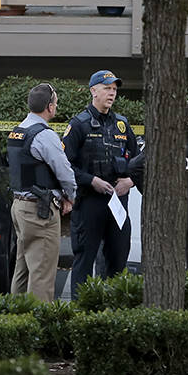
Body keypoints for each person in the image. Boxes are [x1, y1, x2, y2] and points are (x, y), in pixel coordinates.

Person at [63, 70, 138, 299]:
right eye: (107, 88)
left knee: (117, 257)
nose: (112, 93)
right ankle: (80, 313)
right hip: (89, 202)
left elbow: (138, 161)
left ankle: (111, 313)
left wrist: (130, 181)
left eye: (114, 89)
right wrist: (90, 180)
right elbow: (64, 166)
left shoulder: (122, 125)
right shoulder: (79, 125)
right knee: (85, 259)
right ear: (93, 91)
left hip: (117, 202)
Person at [128, 102, 188, 269]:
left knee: (169, 270)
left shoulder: (162, 147)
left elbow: (134, 167)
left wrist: (151, 193)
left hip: (169, 217)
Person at [7, 83, 76, 302]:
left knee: (23, 268)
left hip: (20, 207)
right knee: (43, 273)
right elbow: (65, 172)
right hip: (40, 211)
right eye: (55, 102)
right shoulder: (44, 135)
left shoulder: (18, 131)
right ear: (49, 106)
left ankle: (15, 321)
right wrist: (70, 197)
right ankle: (37, 327)